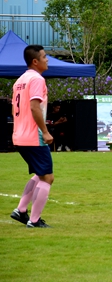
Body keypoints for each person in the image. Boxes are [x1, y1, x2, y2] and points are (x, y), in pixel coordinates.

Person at [10, 45, 54, 228]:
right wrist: (45, 131)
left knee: (40, 173)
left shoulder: (20, 80)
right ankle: (34, 221)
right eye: (44, 57)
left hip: (20, 135)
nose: (47, 59)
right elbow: (35, 107)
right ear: (35, 61)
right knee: (47, 177)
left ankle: (21, 210)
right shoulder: (36, 79)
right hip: (34, 136)